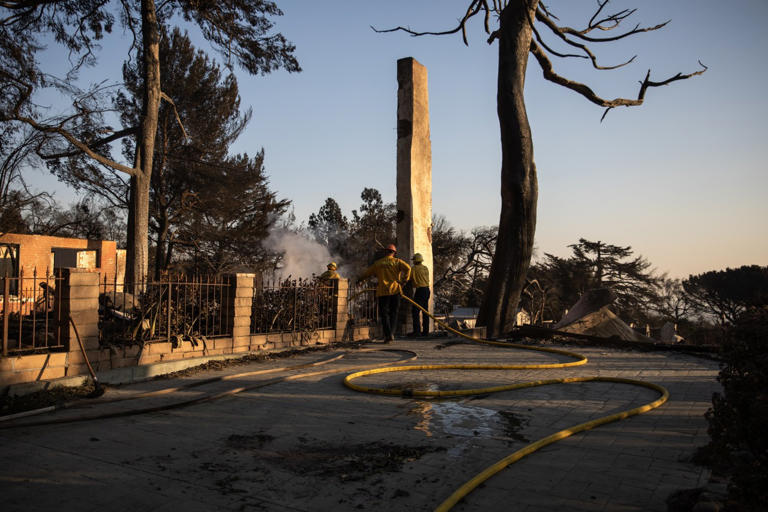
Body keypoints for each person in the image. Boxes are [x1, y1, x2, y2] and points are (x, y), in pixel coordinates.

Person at [358, 244, 411, 342]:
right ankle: (391, 333)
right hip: (395, 291)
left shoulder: (378, 263)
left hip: (382, 292)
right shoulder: (397, 262)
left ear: (385, 252)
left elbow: (367, 273)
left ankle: (387, 335)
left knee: (384, 314)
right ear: (394, 253)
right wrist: (404, 280)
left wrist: (359, 279)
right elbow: (408, 268)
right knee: (394, 313)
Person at [409, 253, 430, 337]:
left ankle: (417, 332)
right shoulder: (425, 268)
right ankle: (425, 331)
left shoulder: (413, 269)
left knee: (415, 311)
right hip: (427, 290)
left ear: (415, 261)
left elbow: (409, 278)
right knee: (425, 311)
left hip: (420, 290)